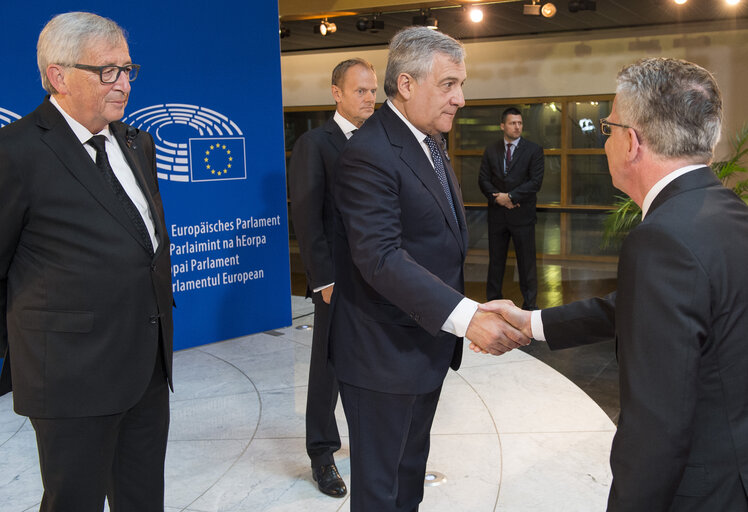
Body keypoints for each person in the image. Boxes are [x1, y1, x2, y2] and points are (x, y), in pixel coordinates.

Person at [477, 58, 748, 511]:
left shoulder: (662, 240)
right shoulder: (728, 212)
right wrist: (533, 323)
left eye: (608, 128)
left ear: (633, 142)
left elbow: (657, 428)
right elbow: (654, 307)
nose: (605, 141)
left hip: (699, 491)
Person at [329, 27, 529, 511]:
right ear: (406, 85)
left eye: (461, 84)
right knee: (381, 492)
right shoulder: (369, 153)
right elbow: (381, 257)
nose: (460, 98)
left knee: (408, 482)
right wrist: (467, 316)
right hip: (382, 357)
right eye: (448, 84)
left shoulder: (429, 141)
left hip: (422, 348)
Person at [0, 12, 174, 511]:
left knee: (143, 500)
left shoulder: (138, 143)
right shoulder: (15, 152)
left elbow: (145, 244)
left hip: (147, 368)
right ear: (58, 75)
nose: (123, 84)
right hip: (71, 378)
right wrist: (35, 346)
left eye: (127, 69)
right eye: (107, 72)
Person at [288, 57, 377, 498]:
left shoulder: (381, 140)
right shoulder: (315, 144)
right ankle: (321, 455)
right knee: (328, 369)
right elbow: (306, 215)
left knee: (372, 362)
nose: (369, 98)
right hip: (337, 280)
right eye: (360, 90)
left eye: (373, 91)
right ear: (336, 93)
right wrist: (323, 279)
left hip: (381, 276)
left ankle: (369, 442)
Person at [478, 107, 544, 309]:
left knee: (526, 264)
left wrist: (511, 196)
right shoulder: (491, 150)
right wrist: (499, 199)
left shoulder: (534, 150)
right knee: (496, 263)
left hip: (522, 216)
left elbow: (535, 182)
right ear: (502, 126)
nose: (517, 127)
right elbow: (483, 180)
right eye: (512, 123)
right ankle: (493, 303)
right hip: (498, 216)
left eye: (520, 123)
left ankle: (530, 307)